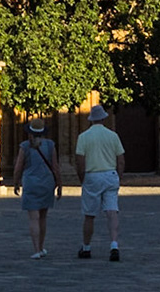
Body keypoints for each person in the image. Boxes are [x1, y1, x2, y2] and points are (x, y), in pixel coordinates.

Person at [73, 105, 126, 261]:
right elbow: (121, 159)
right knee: (112, 211)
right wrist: (118, 176)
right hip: (110, 174)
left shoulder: (83, 137)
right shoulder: (113, 136)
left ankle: (86, 247)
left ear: (91, 120)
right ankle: (114, 244)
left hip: (92, 175)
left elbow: (79, 161)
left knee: (89, 214)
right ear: (103, 118)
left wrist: (82, 178)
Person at [11, 118, 61, 258]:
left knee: (34, 218)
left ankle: (36, 249)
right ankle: (42, 246)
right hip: (47, 183)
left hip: (31, 184)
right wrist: (59, 185)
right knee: (43, 217)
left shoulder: (25, 146)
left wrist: (16, 183)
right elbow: (56, 167)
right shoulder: (51, 145)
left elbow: (18, 167)